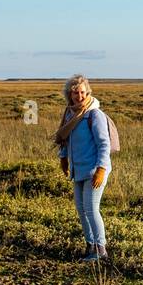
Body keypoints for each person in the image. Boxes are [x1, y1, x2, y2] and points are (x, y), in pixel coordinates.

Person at [54, 74, 119, 262]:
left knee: (91, 209)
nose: (79, 96)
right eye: (75, 93)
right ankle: (90, 246)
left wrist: (101, 169)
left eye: (82, 92)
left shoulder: (94, 114)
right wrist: (63, 158)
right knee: (81, 209)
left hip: (94, 170)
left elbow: (103, 144)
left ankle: (101, 250)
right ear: (69, 94)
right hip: (78, 170)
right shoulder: (69, 114)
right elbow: (65, 140)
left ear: (87, 92)